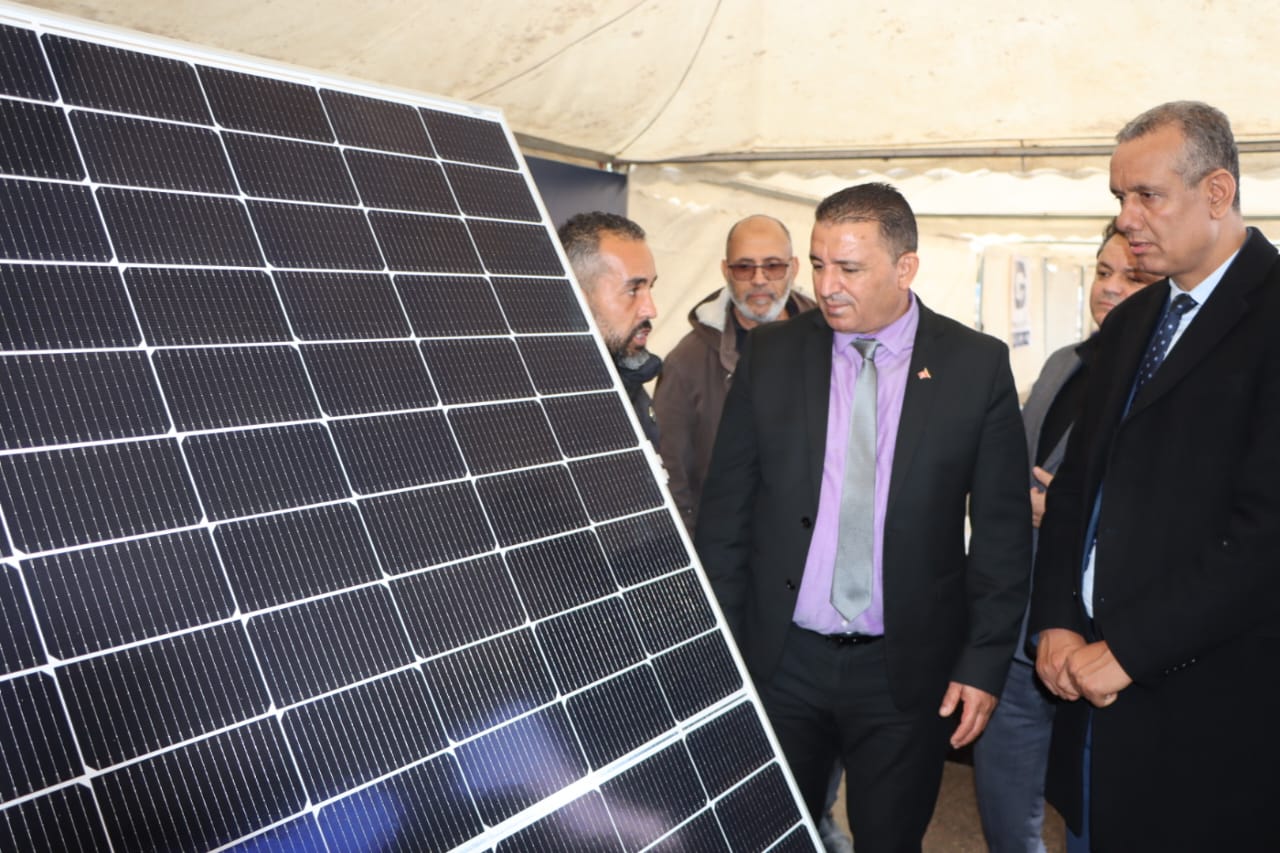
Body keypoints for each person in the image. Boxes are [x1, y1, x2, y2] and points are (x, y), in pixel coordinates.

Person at [696, 182, 1030, 852]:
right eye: (819, 264)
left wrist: (983, 662)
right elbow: (726, 519)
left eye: (849, 268)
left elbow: (1002, 533)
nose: (827, 286)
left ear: (905, 268)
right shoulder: (773, 355)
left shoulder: (975, 365)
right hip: (782, 660)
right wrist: (721, 653)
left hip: (904, 671)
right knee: (767, 835)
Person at [1029, 101, 1280, 851]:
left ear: (1216, 192)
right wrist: (1057, 616)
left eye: (1147, 195)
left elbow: (1265, 536)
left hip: (1212, 713)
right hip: (1094, 700)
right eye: (1119, 197)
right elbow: (1077, 489)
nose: (1126, 218)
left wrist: (1131, 649)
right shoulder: (1134, 322)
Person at [973, 221, 1158, 853]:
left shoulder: (1173, 386)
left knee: (1094, 816)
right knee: (1005, 810)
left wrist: (1067, 513)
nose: (1110, 288)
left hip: (1110, 649)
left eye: (1133, 277)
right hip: (1023, 630)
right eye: (1103, 272)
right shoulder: (1062, 365)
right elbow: (1012, 471)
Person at [653, 214, 816, 533]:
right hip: (730, 546)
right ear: (726, 271)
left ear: (794, 268)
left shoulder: (835, 341)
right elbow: (670, 477)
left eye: (773, 266)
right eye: (744, 267)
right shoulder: (686, 362)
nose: (759, 279)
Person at [558, 212, 662, 445]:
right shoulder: (543, 403)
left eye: (650, 288)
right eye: (633, 290)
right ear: (579, 299)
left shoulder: (628, 378)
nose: (651, 310)